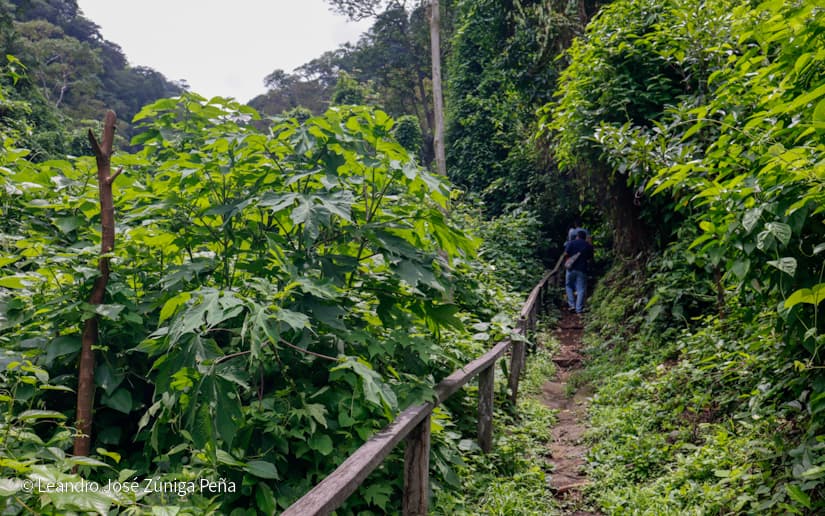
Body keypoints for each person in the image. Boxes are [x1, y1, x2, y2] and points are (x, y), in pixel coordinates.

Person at [563, 229, 593, 314]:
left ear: (577, 236)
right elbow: (590, 258)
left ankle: (571, 305)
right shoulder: (587, 245)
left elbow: (566, 254)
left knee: (568, 286)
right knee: (581, 289)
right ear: (585, 237)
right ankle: (578, 309)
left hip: (570, 268)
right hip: (582, 269)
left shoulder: (571, 243)